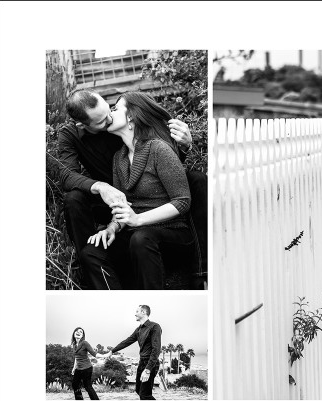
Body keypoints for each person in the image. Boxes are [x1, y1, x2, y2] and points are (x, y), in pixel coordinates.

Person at [49, 88, 207, 289]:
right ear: (82, 124)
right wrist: (110, 225)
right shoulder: (116, 156)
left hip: (158, 220)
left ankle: (200, 273)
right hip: (110, 201)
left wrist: (185, 145)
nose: (108, 118)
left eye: (111, 109)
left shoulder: (152, 144)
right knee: (79, 215)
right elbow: (66, 175)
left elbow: (172, 179)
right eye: (101, 120)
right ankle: (104, 282)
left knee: (197, 180)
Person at [106, 305, 162, 400]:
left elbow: (156, 349)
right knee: (139, 390)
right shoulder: (139, 329)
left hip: (150, 363)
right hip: (142, 362)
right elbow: (127, 341)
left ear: (143, 312)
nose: (135, 314)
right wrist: (112, 351)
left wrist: (148, 370)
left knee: (145, 394)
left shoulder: (154, 327)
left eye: (137, 311)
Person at [70, 327, 99, 400]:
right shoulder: (74, 344)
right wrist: (74, 368)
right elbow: (76, 357)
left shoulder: (84, 343)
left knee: (88, 386)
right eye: (76, 331)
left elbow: (93, 353)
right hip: (78, 368)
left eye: (81, 332)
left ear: (82, 335)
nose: (78, 332)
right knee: (75, 384)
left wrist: (105, 355)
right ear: (74, 333)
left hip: (87, 368)